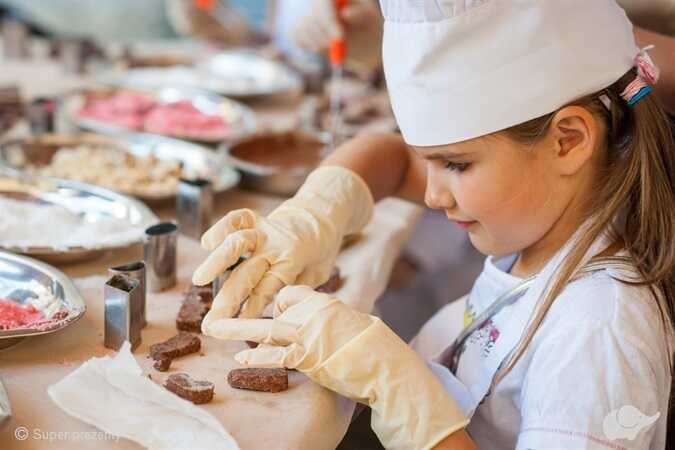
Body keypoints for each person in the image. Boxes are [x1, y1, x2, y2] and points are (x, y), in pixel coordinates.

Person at [193, 1, 675, 449]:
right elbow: (391, 160)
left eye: (456, 165)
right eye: (430, 162)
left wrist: (403, 396)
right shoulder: (549, 217)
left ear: (568, 141)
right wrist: (317, 209)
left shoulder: (598, 336)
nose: (429, 194)